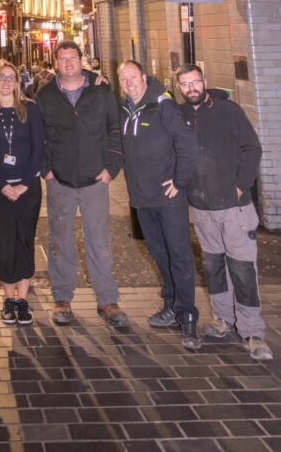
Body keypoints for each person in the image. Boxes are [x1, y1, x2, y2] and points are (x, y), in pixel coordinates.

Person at [175, 63, 272, 361]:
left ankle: (252, 331)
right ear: (179, 87)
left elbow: (251, 148)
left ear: (204, 81)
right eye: (185, 84)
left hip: (234, 208)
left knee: (242, 269)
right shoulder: (180, 116)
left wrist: (241, 186)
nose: (191, 88)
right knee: (214, 266)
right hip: (202, 209)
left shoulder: (228, 111)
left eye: (195, 82)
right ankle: (222, 318)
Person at [37, 41, 127, 327]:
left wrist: (112, 168)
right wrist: (46, 169)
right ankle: (62, 298)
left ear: (81, 59)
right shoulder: (45, 95)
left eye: (72, 58)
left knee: (99, 242)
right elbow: (38, 135)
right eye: (62, 59)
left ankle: (107, 300)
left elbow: (115, 129)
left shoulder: (100, 90)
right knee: (60, 241)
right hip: (60, 181)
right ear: (55, 63)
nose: (67, 63)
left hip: (94, 181)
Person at [118, 60, 201, 350]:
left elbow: (188, 146)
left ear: (144, 77)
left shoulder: (163, 105)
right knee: (160, 255)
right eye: (123, 79)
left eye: (133, 78)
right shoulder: (125, 108)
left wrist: (179, 182)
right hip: (142, 200)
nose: (129, 84)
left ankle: (188, 317)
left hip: (168, 199)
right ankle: (171, 305)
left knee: (179, 256)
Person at [0, 61, 44, 325]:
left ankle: (23, 300)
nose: (6, 82)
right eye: (2, 77)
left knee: (25, 239)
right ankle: (8, 299)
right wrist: (3, 184)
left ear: (18, 83)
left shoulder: (31, 110)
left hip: (28, 188)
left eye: (11, 78)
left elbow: (39, 148)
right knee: (4, 242)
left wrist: (24, 183)